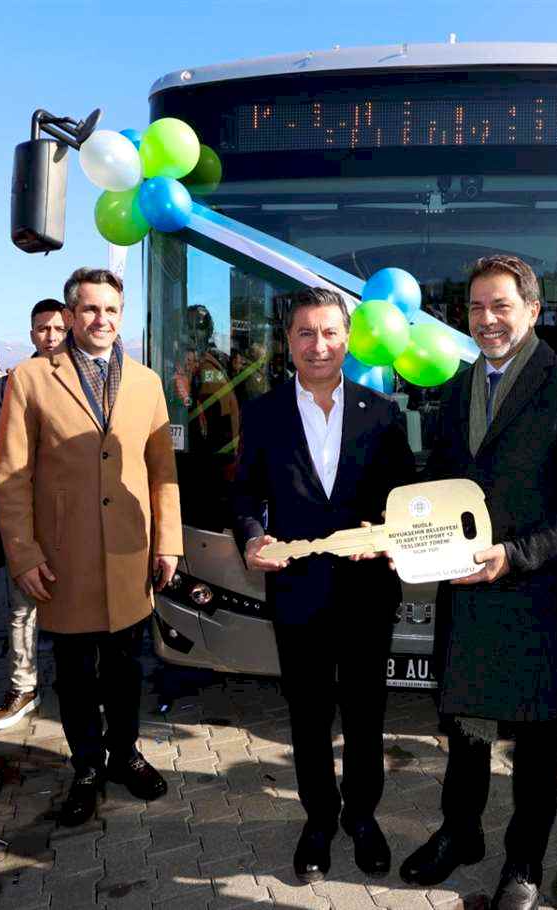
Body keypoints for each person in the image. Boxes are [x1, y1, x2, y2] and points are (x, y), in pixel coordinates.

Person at [398, 255, 557, 910]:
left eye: (501, 305)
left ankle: (524, 861)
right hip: (465, 593)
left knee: (535, 742)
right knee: (465, 730)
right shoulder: (460, 387)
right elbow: (442, 480)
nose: (487, 319)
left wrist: (519, 554)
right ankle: (460, 833)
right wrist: (403, 532)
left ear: (532, 309)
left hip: (530, 592)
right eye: (476, 307)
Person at [233, 288, 415, 884]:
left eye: (331, 332)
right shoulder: (263, 413)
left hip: (366, 593)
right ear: (288, 341)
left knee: (365, 713)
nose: (319, 345)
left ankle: (362, 817)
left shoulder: (382, 412)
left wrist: (385, 533)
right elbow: (245, 495)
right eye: (306, 333)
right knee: (308, 715)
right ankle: (318, 819)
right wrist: (252, 537)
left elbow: (403, 498)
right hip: (298, 592)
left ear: (348, 338)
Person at [0, 268, 182, 826]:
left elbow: (162, 471)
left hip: (129, 553)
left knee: (126, 669)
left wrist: (169, 542)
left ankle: (125, 754)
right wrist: (24, 554)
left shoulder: (146, 382)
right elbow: (11, 476)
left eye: (112, 310)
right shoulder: (30, 378)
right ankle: (86, 768)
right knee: (75, 675)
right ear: (72, 314)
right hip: (64, 557)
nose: (102, 319)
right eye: (92, 309)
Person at [0, 298, 66, 730]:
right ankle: (23, 686)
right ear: (32, 333)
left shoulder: (86, 379)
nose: (51, 336)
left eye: (58, 328)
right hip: (27, 516)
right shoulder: (11, 384)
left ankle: (81, 685)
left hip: (73, 517)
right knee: (22, 608)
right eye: (42, 329)